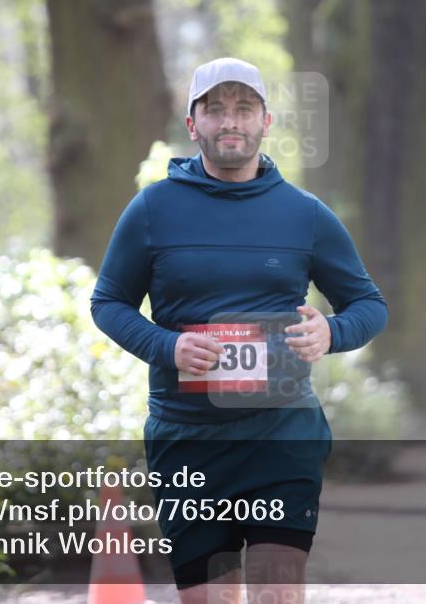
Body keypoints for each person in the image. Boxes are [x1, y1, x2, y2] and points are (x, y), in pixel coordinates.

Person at [91, 57, 387, 604]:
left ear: (265, 122)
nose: (231, 121)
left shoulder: (305, 213)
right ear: (192, 125)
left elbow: (368, 305)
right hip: (188, 439)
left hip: (281, 436)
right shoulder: (153, 209)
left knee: (278, 592)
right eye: (216, 109)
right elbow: (108, 302)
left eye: (244, 108)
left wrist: (332, 333)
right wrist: (168, 345)